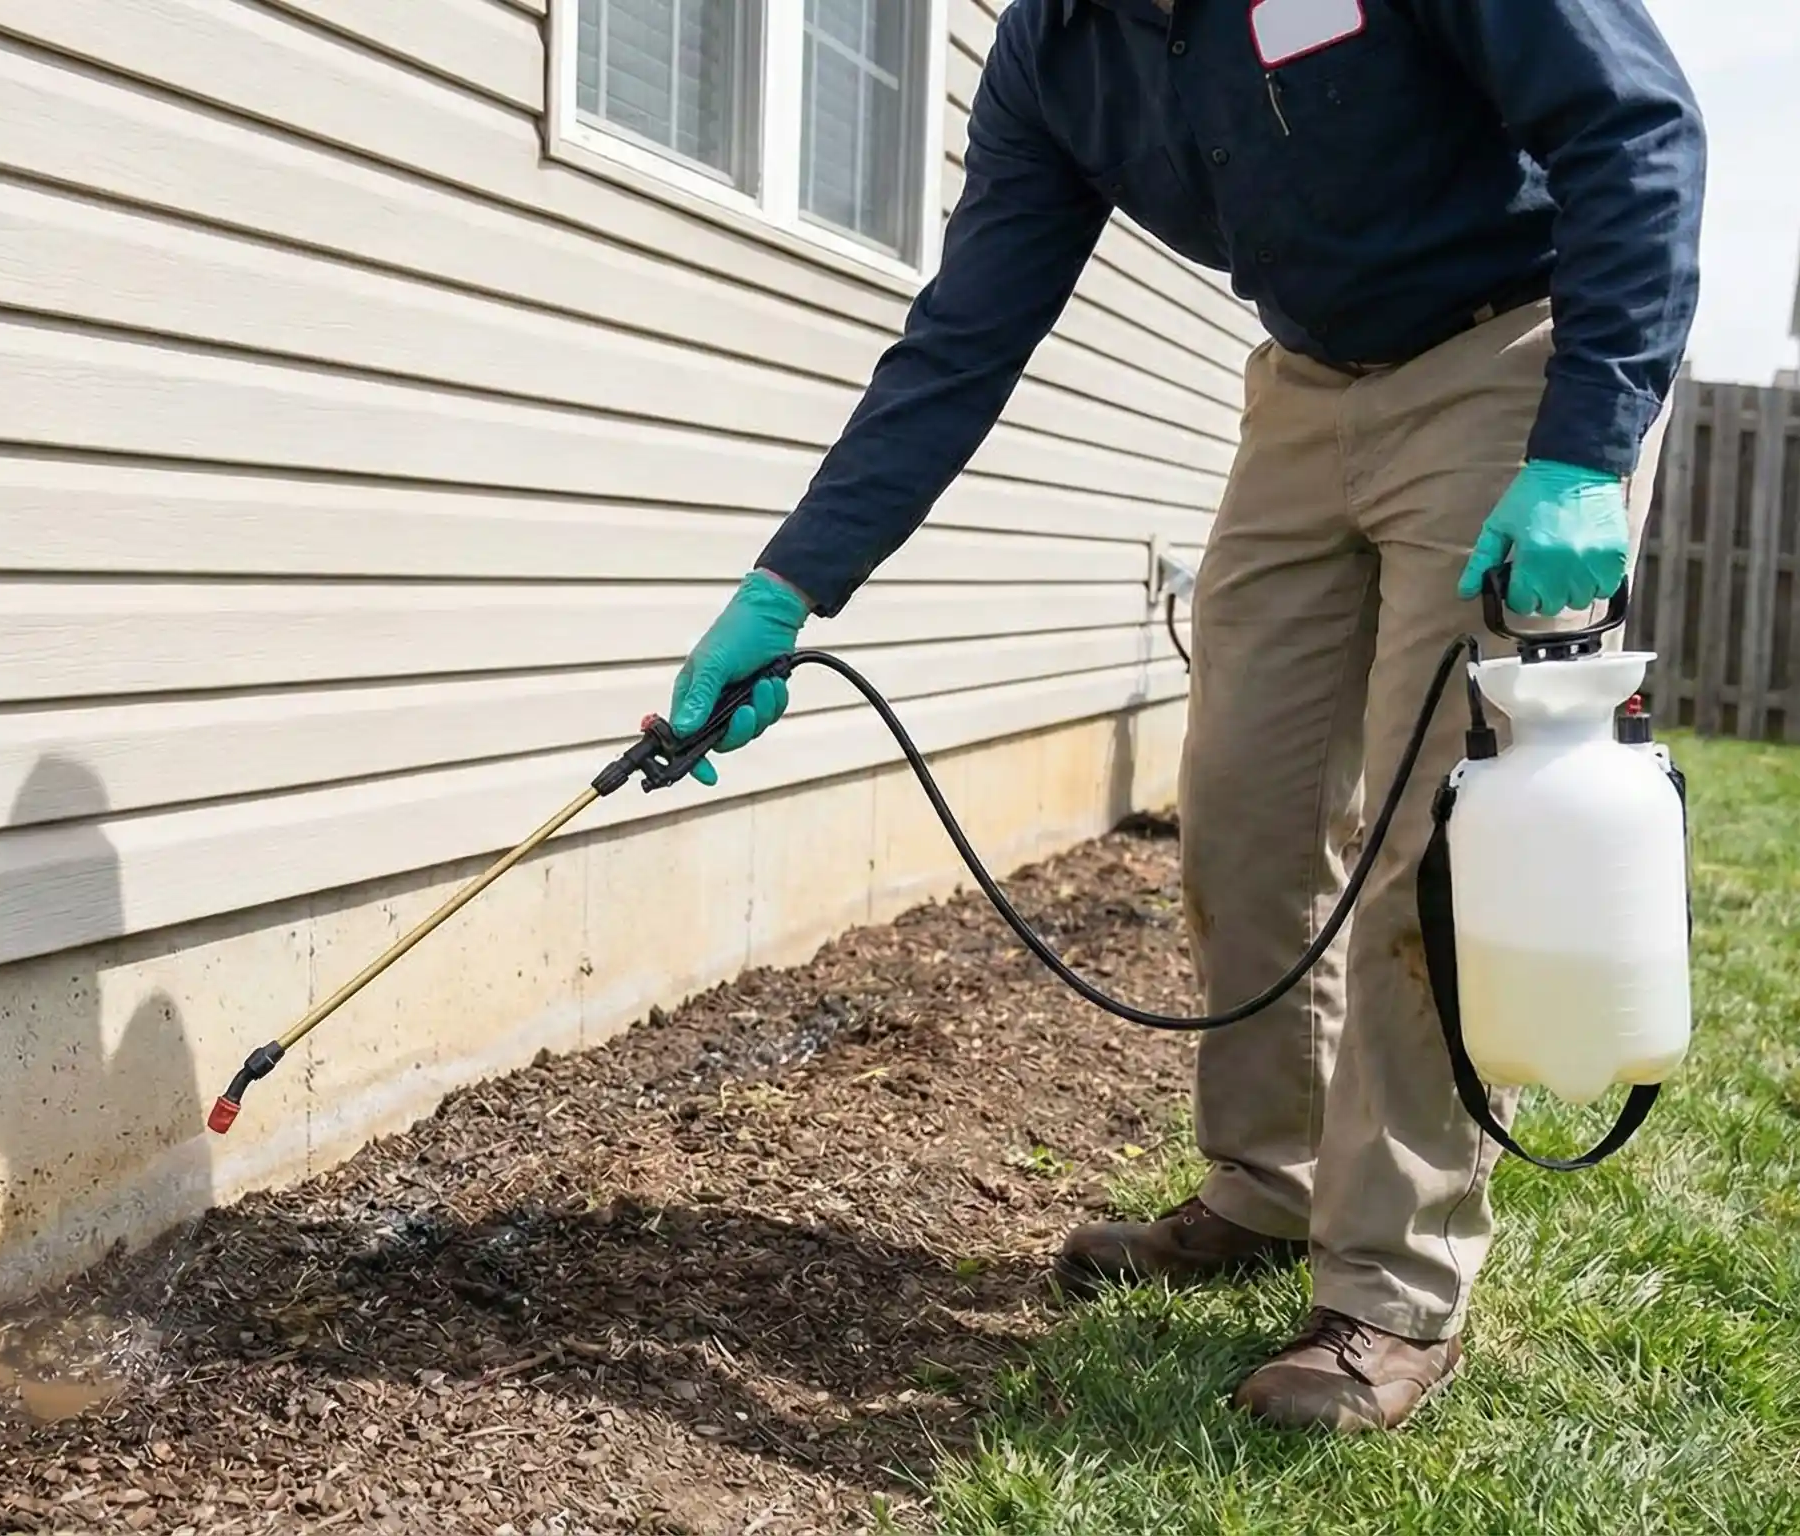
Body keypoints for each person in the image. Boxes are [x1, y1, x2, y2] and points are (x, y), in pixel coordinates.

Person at [661, 0, 1703, 1432]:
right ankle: (1269, 1186)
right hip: (1303, 389)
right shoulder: (1052, 53)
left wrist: (1588, 446)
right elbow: (967, 331)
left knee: (1428, 853)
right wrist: (791, 587)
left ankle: (1391, 1290)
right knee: (1241, 813)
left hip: (1507, 367)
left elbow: (1635, 128)